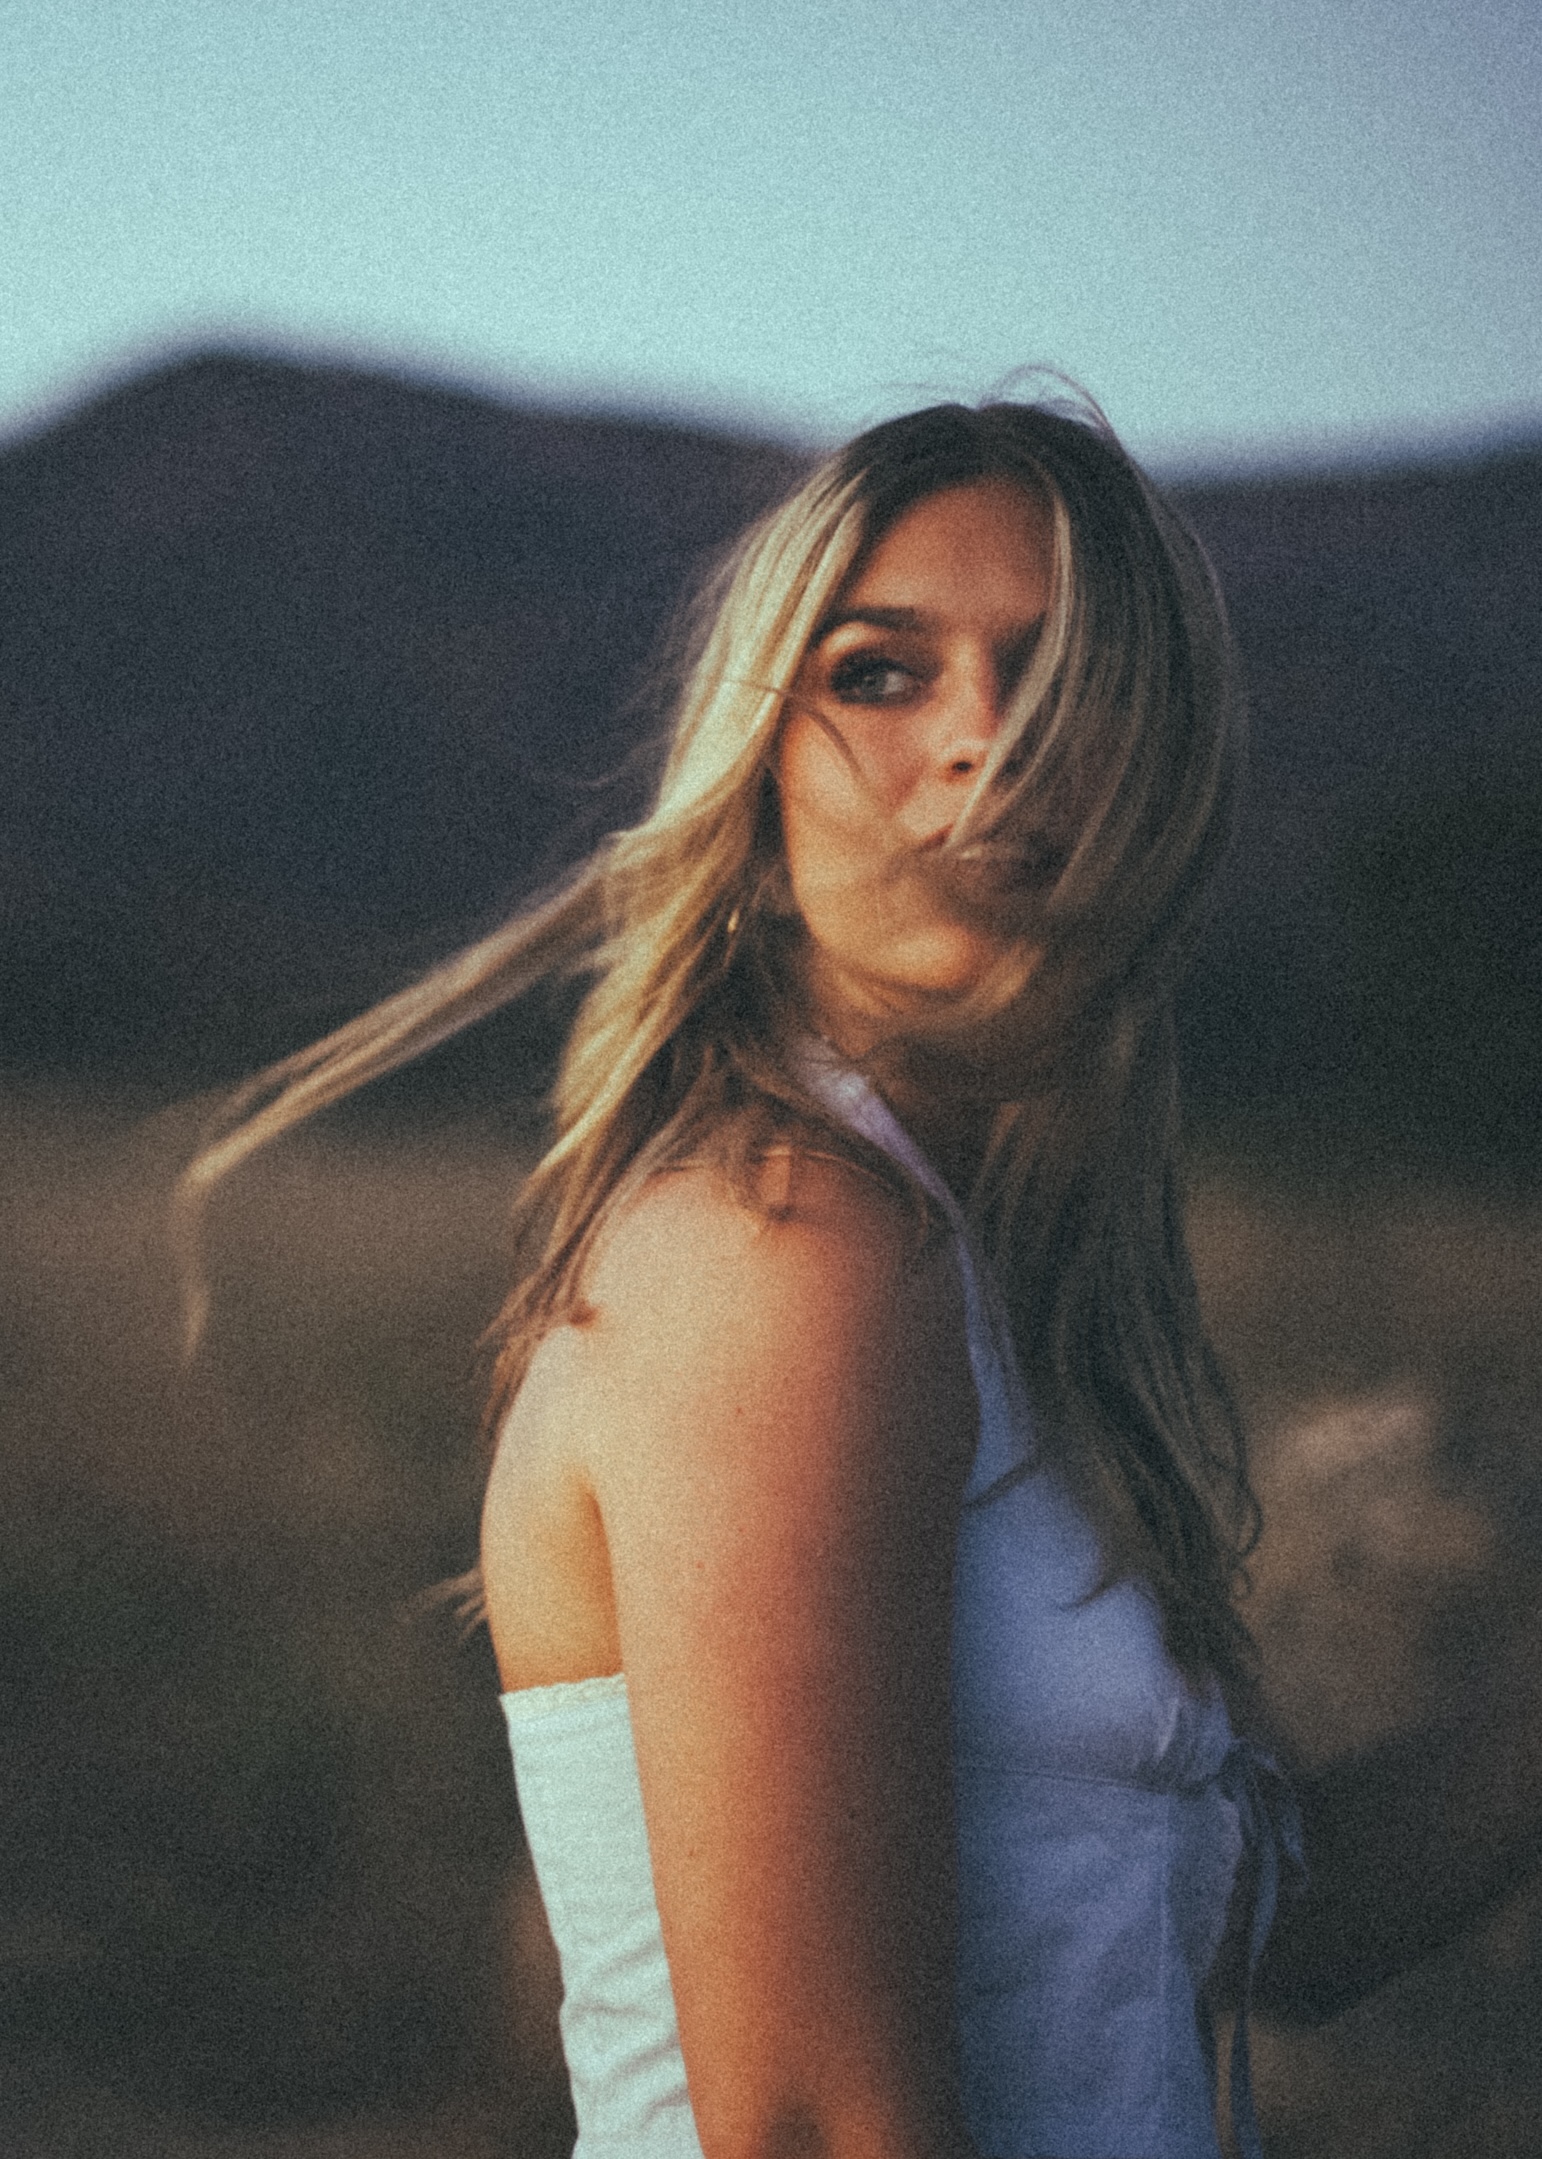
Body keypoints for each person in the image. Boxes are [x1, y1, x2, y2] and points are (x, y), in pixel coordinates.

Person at [181, 393, 1299, 2159]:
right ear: (756, 791)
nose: (985, 741)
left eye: (1066, 674)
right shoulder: (785, 1253)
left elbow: (1206, 1929)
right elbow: (806, 2122)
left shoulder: (993, 1271)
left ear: (1161, 763)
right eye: (879, 675)